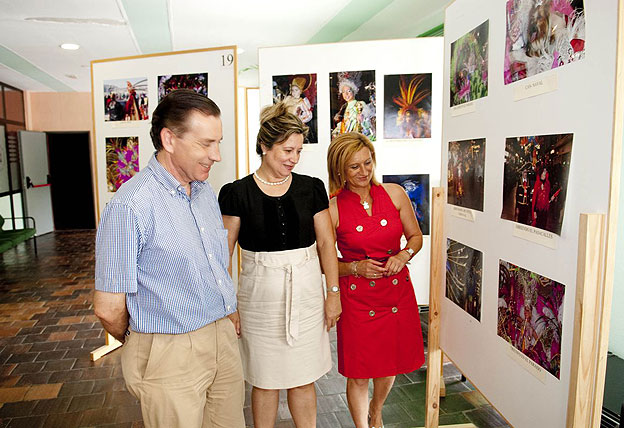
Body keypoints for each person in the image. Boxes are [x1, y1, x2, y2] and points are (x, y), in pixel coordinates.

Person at [94, 89, 245, 428]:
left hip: (221, 337)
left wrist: (227, 311)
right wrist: (146, 340)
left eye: (218, 143)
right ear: (169, 139)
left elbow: (213, 264)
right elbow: (108, 308)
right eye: (206, 144)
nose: (216, 155)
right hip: (168, 350)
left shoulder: (204, 192)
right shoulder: (130, 205)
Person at [218, 102, 340, 428]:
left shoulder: (311, 188)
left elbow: (326, 244)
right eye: (287, 150)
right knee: (265, 378)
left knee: (303, 376)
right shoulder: (236, 193)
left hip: (307, 294)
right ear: (264, 146)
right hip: (258, 300)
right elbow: (223, 254)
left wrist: (333, 293)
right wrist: (229, 305)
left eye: (298, 151)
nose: (293, 158)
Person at [326, 132, 425, 428]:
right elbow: (325, 262)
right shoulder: (332, 208)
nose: (363, 172)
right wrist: (355, 268)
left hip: (396, 293)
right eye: (354, 166)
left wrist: (404, 255)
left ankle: (377, 409)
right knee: (359, 373)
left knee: (388, 364)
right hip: (357, 299)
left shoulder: (394, 193)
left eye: (367, 163)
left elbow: (416, 237)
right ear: (340, 170)